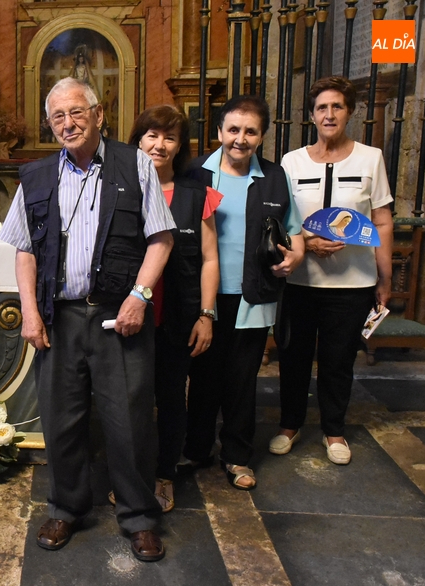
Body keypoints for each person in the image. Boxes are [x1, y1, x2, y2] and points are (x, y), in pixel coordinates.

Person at [0, 77, 176, 562]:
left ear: (98, 115)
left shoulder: (135, 164)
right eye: (58, 116)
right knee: (61, 420)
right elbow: (24, 249)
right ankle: (66, 507)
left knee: (130, 422)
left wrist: (140, 295)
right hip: (59, 318)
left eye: (76, 112)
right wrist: (30, 311)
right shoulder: (36, 175)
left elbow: (161, 238)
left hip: (120, 318)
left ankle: (139, 517)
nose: (68, 123)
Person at [180, 95, 305, 490]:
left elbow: (295, 231)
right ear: (219, 131)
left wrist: (295, 257)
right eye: (233, 129)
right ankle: (196, 448)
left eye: (250, 131)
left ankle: (237, 456)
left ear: (261, 136)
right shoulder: (195, 173)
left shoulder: (274, 177)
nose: (240, 138)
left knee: (241, 380)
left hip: (253, 294)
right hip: (204, 296)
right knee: (202, 377)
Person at [269, 76, 394, 465]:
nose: (329, 114)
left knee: (338, 360)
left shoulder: (370, 158)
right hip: (300, 280)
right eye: (321, 107)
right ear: (312, 115)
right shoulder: (292, 162)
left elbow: (382, 219)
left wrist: (385, 277)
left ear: (349, 112)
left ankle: (334, 430)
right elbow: (281, 220)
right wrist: (308, 242)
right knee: (294, 356)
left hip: (353, 281)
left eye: (337, 106)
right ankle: (289, 424)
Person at [128, 105, 221, 511]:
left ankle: (165, 474)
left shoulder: (196, 195)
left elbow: (210, 259)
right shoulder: (120, 190)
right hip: (130, 317)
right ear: (138, 140)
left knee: (170, 398)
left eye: (169, 137)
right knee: (129, 400)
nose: (159, 145)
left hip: (177, 316)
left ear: (180, 146)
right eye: (151, 135)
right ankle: (131, 477)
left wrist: (206, 315)